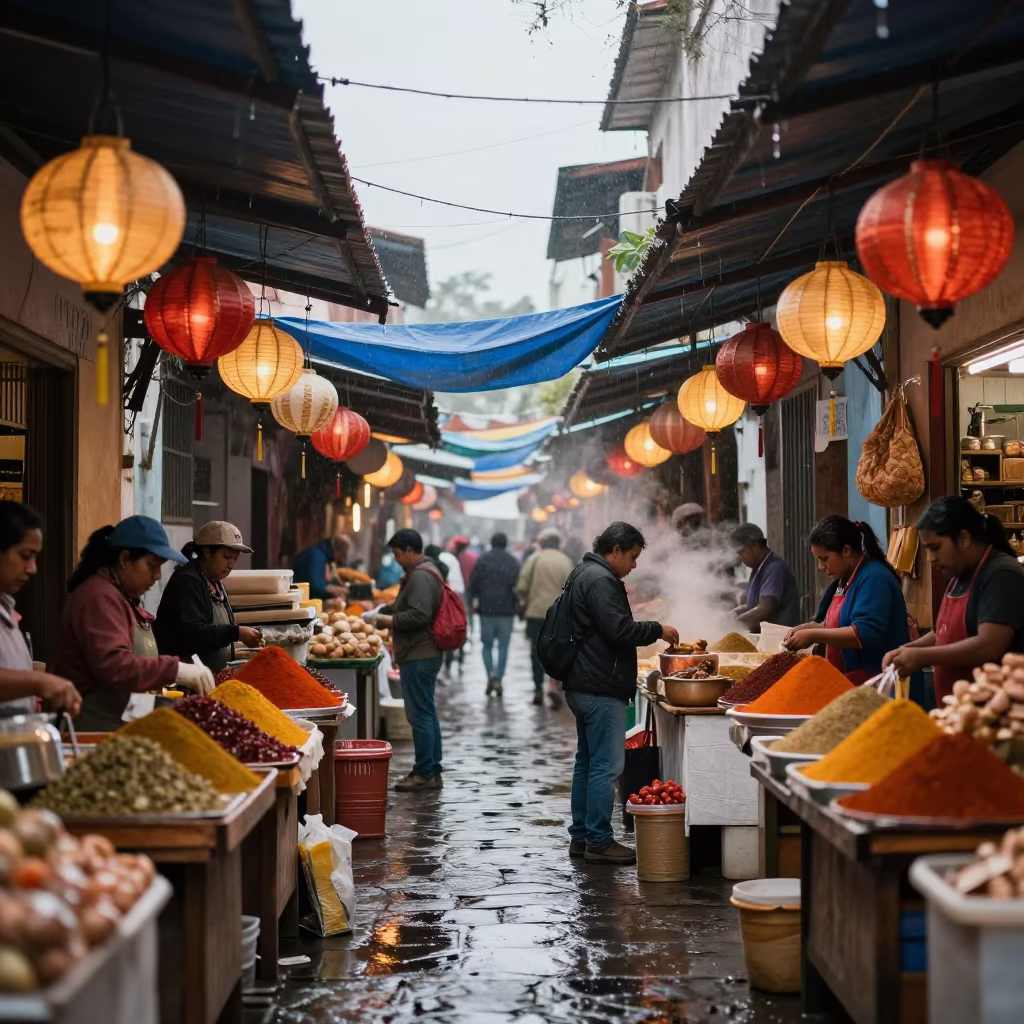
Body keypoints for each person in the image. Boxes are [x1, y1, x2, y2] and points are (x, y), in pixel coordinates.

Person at [563, 522, 680, 865]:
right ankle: (599, 840)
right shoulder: (600, 580)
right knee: (606, 765)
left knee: (587, 762)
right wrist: (659, 629)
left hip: (582, 682)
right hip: (599, 685)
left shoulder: (584, 572)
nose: (634, 564)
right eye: (631, 557)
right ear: (614, 551)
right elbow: (619, 630)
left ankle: (582, 836)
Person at [55, 516, 215, 730]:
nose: (157, 575)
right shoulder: (99, 597)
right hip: (91, 731)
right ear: (124, 559)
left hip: (119, 720)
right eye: (151, 565)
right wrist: (175, 669)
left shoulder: (122, 598)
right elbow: (115, 666)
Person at [884, 496, 1024, 703]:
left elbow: (989, 645)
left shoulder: (1002, 574)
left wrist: (924, 657)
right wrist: (910, 648)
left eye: (936, 547)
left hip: (995, 712)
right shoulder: (960, 573)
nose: (931, 558)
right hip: (959, 709)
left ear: (964, 539)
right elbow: (941, 632)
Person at [782, 515, 911, 682]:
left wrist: (813, 635)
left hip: (880, 683)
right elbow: (842, 623)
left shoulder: (874, 578)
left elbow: (865, 633)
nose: (821, 567)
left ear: (846, 551)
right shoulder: (846, 578)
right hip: (851, 681)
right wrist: (812, 627)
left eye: (825, 559)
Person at [374, 529, 444, 792]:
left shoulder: (422, 576)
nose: (396, 559)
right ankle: (431, 769)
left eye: (397, 553)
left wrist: (386, 620)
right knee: (426, 712)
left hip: (420, 653)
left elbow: (419, 615)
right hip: (423, 653)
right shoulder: (424, 572)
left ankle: (425, 772)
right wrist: (385, 610)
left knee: (420, 715)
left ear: (410, 550)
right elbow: (410, 607)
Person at [0, 502, 80, 715]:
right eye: (25, 556)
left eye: (35, 557)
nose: (32, 568)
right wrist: (37, 681)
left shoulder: (6, 607)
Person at [154, 522, 263, 673]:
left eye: (235, 559)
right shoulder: (187, 581)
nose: (231, 565)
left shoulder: (216, 583)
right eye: (226, 557)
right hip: (187, 680)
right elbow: (193, 633)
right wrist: (236, 633)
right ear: (206, 552)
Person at [516, 529, 573, 707]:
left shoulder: (534, 559)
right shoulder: (566, 561)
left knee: (536, 652)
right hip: (559, 616)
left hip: (536, 614)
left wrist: (524, 601)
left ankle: (538, 688)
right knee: (557, 651)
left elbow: (521, 586)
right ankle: (553, 685)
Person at [468, 533, 520, 697]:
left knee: (487, 645)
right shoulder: (512, 562)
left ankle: (490, 674)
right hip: (506, 610)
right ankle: (498, 678)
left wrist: (473, 600)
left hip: (486, 609)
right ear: (505, 544)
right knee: (504, 646)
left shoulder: (483, 560)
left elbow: (473, 584)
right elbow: (518, 585)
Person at [730, 523, 801, 631]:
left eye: (741, 553)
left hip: (780, 638)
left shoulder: (774, 568)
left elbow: (763, 609)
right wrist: (733, 614)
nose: (740, 559)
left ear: (755, 547)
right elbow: (752, 605)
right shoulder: (758, 568)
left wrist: (736, 622)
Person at [292, 533, 351, 602]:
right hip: (304, 602)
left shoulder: (324, 556)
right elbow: (315, 587)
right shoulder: (317, 556)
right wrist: (334, 590)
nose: (341, 558)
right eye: (343, 554)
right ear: (337, 550)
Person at [437, 543, 465, 679]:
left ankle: (447, 665)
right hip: (453, 601)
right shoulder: (453, 560)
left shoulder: (441, 587)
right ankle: (453, 663)